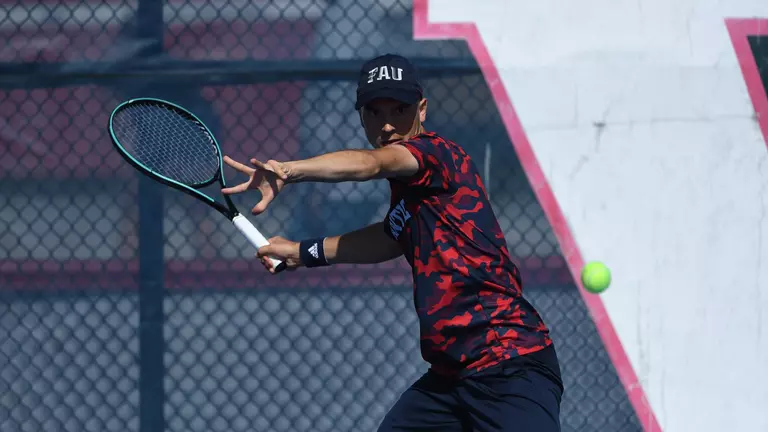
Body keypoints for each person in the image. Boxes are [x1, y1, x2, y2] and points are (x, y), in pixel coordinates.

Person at [221, 54, 564, 431]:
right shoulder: (411, 194)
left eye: (399, 110)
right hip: (449, 377)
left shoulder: (437, 155)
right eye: (374, 112)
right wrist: (302, 253)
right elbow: (389, 237)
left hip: (508, 364)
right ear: (362, 117)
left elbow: (372, 164)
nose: (387, 124)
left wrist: (289, 170)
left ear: (422, 109)